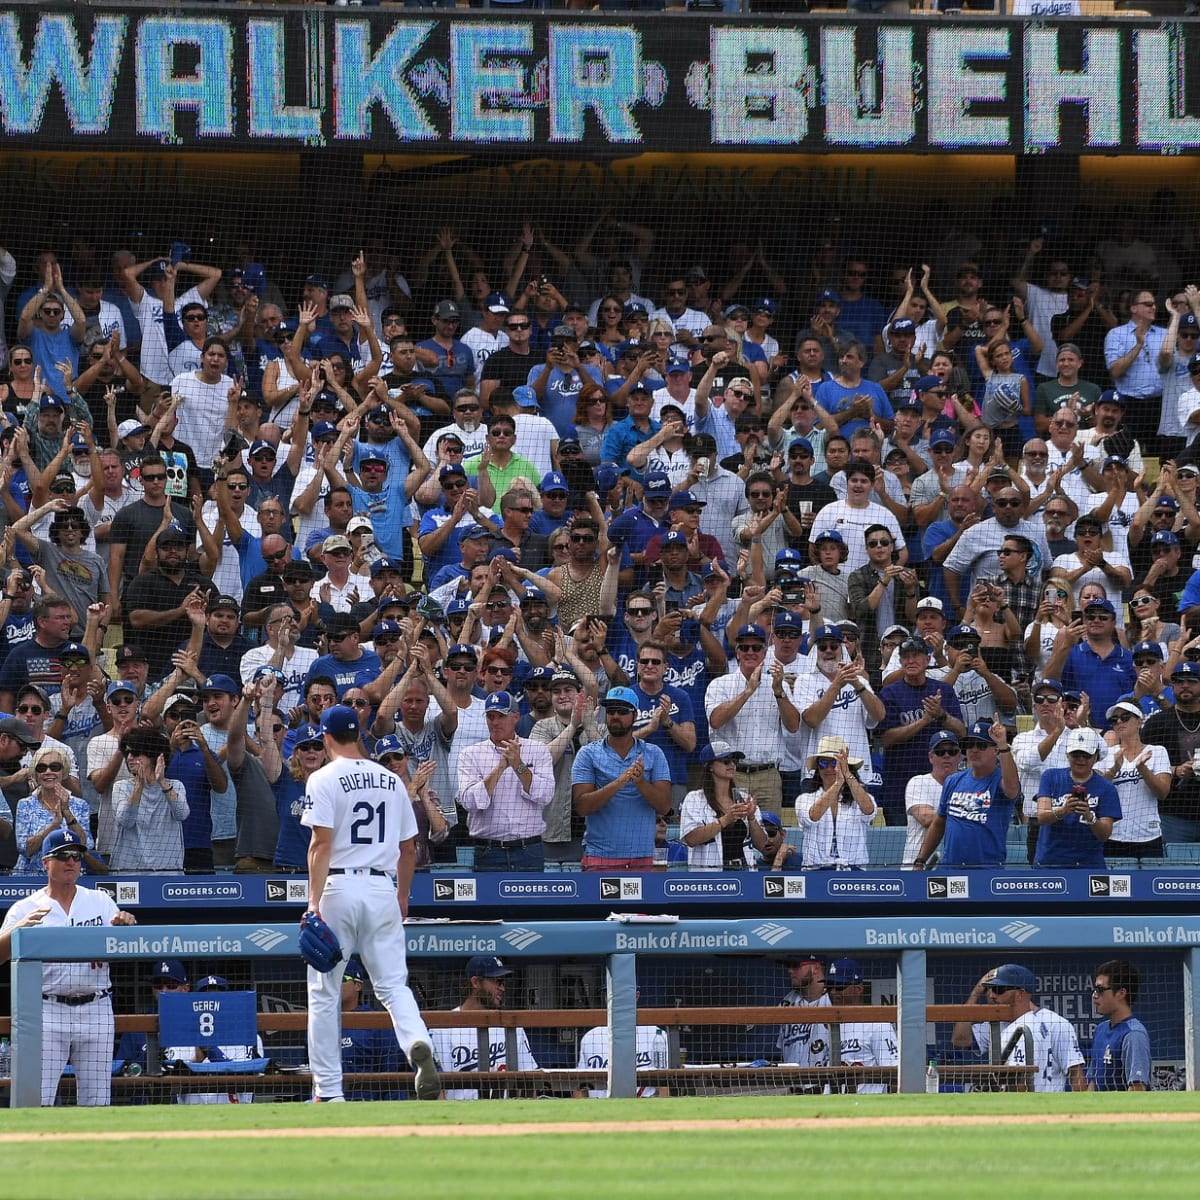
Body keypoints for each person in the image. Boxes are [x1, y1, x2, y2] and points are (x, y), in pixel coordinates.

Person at [299, 703, 440, 1104]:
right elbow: (409, 849)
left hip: (339, 888)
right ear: (358, 734)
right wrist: (402, 896)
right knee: (394, 984)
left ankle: (328, 1092)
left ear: (326, 738)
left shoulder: (323, 778)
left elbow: (320, 845)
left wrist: (312, 903)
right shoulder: (393, 781)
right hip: (381, 886)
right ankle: (416, 1040)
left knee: (325, 993)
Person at [0, 828, 137, 1106]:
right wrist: (18, 930)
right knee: (37, 1100)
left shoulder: (99, 901)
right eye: (62, 856)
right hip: (47, 1009)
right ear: (45, 863)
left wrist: (126, 928)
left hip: (96, 1006)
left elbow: (128, 950)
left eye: (76, 855)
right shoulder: (25, 908)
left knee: (97, 1101)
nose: (71, 862)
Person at [571, 686, 672, 871]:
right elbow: (582, 807)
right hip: (600, 858)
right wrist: (621, 781)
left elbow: (664, 806)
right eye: (611, 711)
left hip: (643, 858)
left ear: (635, 715)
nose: (615, 715)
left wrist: (641, 783)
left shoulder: (654, 753)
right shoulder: (587, 754)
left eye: (622, 711)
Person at [456, 690, 555, 871]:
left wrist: (518, 765)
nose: (494, 722)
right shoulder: (470, 754)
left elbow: (546, 795)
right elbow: (469, 802)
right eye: (490, 716)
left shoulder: (538, 749)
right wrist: (501, 767)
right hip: (488, 851)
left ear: (516, 717)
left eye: (501, 716)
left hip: (529, 850)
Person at [951, 963, 1085, 1093]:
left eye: (999, 990)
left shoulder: (1056, 1024)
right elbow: (960, 1040)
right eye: (988, 989)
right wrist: (975, 993)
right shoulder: (996, 1024)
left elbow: (1075, 1074)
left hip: (1045, 1103)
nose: (991, 995)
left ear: (1020, 994)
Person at [915, 716, 1020, 869]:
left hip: (987, 872)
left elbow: (1012, 788)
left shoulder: (1000, 780)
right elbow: (938, 823)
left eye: (981, 745)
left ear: (995, 750)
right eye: (970, 745)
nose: (974, 750)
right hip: (949, 870)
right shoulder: (953, 781)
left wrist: (1003, 745)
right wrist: (920, 861)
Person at [430, 955, 539, 1100]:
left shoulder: (512, 1027)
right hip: (460, 1114)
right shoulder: (441, 1030)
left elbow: (528, 1082)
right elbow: (435, 1088)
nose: (502, 988)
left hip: (507, 1115)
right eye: (497, 981)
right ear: (475, 982)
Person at [1034, 725, 1120, 868]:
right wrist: (1064, 810)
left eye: (1086, 755)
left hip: (1089, 865)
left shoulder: (1106, 787)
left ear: (1096, 756)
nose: (1081, 759)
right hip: (1050, 862)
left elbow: (1105, 834)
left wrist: (1089, 816)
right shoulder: (1050, 777)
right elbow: (1042, 816)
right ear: (1067, 754)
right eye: (1076, 754)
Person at [678, 740, 768, 871]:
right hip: (710, 875)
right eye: (726, 760)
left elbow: (762, 845)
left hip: (744, 870)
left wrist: (751, 818)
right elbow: (691, 839)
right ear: (710, 766)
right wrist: (726, 819)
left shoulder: (743, 798)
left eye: (734, 760)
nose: (732, 764)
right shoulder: (694, 799)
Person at [798, 738, 877, 870]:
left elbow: (869, 810)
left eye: (834, 763)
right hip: (816, 871)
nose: (829, 768)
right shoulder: (805, 799)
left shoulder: (860, 798)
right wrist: (838, 783)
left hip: (853, 870)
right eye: (823, 763)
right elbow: (812, 817)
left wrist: (847, 774)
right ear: (818, 767)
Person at [822, 957, 897, 1095]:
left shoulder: (878, 1024)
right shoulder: (830, 1026)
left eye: (839, 987)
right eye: (829, 987)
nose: (833, 992)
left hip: (868, 1106)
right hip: (834, 1105)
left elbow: (895, 1074)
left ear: (858, 989)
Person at [577, 995, 668, 1099]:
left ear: (636, 996)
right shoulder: (591, 1036)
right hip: (599, 1105)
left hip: (644, 1104)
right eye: (610, 994)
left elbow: (664, 1084)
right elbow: (580, 1084)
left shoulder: (655, 1034)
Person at [338, 957, 404, 1102]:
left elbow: (391, 1078)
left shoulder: (376, 1023)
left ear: (358, 985)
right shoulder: (319, 1023)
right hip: (325, 1101)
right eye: (330, 979)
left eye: (342, 978)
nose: (334, 984)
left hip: (362, 1102)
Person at [1088, 960, 1152, 1092]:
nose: (1094, 995)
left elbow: (1137, 1088)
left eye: (1100, 990)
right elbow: (1093, 1082)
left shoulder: (1133, 1034)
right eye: (1095, 989)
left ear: (1121, 993)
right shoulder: (1101, 1029)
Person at [902, 730, 962, 869]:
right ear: (931, 757)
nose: (946, 755)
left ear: (959, 756)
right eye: (940, 752)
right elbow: (925, 818)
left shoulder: (967, 784)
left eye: (952, 752)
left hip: (955, 867)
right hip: (917, 866)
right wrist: (966, 814)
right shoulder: (918, 782)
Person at [776, 955, 832, 1085]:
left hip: (827, 1088)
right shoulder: (787, 1003)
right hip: (793, 1088)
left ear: (816, 968)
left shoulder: (833, 1000)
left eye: (795, 966)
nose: (790, 971)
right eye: (788, 967)